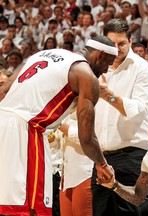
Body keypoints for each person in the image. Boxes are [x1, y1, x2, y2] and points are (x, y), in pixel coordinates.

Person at [0, 35, 117, 215]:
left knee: (7, 204)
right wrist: (102, 164)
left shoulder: (42, 54)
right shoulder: (86, 75)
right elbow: (87, 138)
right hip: (26, 131)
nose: (107, 70)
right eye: (108, 63)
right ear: (99, 55)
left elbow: (4, 90)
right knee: (32, 209)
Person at [91, 18, 148, 216]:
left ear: (130, 41)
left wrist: (108, 95)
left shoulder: (141, 68)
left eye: (122, 43)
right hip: (101, 157)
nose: (117, 49)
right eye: (112, 44)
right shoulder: (96, 68)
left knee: (127, 213)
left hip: (132, 154)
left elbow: (138, 110)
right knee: (98, 212)